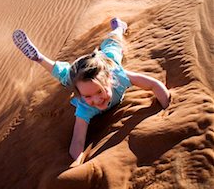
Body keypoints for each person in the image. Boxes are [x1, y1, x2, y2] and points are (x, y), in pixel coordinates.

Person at [13, 18, 170, 166]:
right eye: (88, 96)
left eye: (99, 91)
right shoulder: (84, 106)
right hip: (80, 73)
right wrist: (76, 164)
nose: (96, 100)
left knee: (114, 47)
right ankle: (40, 58)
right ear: (80, 95)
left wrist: (168, 107)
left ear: (110, 80)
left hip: (105, 62)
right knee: (66, 77)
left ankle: (118, 28)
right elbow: (78, 141)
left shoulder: (119, 76)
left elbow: (153, 85)